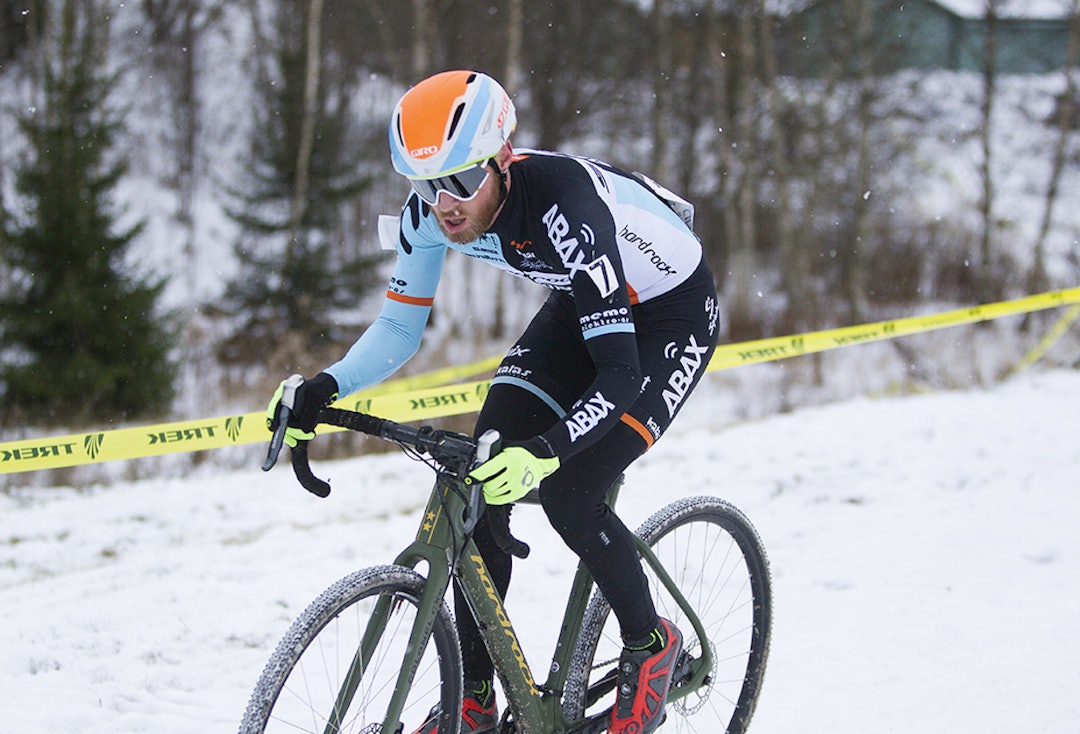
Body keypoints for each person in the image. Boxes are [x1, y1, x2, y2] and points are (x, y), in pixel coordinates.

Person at [267, 70, 720, 734]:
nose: (443, 202)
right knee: (477, 478)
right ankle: (473, 705)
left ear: (503, 160)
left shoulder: (567, 209)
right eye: (424, 184)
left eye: (459, 180)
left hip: (667, 322)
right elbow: (398, 328)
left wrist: (545, 451)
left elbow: (620, 376)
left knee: (571, 493)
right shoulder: (431, 214)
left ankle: (652, 646)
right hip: (583, 306)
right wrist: (323, 387)